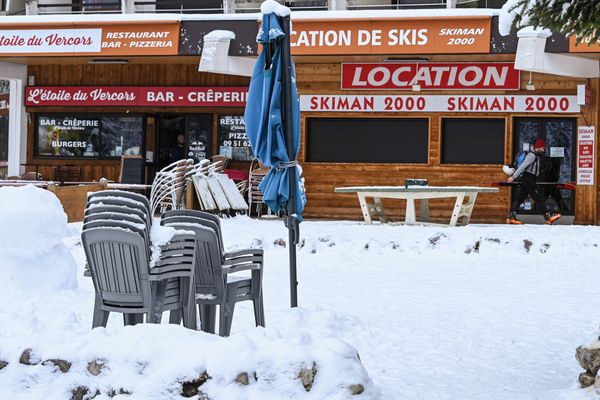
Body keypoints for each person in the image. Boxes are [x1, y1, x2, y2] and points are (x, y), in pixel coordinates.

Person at [505, 138, 561, 225]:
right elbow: (522, 166)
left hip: (528, 179)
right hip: (529, 179)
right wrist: (513, 177)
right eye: (542, 148)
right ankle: (548, 216)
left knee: (519, 198)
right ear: (537, 147)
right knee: (538, 198)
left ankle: (511, 217)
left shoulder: (536, 156)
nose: (543, 150)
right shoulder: (532, 155)